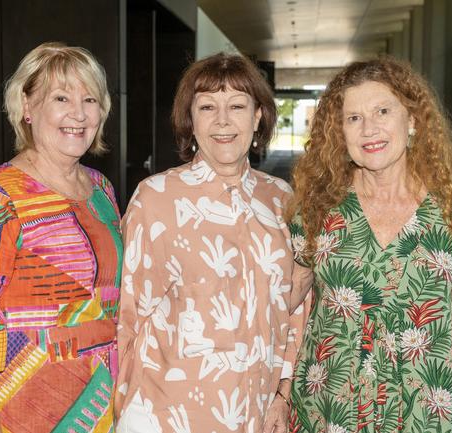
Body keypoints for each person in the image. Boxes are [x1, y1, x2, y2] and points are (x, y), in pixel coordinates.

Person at [0, 42, 122, 433]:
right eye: (61, 98)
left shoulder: (101, 190)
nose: (78, 114)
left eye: (90, 99)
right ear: (27, 108)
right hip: (24, 412)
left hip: (104, 407)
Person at [286, 57, 452, 433]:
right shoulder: (317, 209)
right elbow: (288, 299)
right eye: (353, 118)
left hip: (422, 409)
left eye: (382, 110)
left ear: (411, 119)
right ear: (339, 132)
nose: (369, 129)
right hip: (329, 407)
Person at [115, 52, 310, 433]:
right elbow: (129, 315)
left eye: (237, 106)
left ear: (257, 117)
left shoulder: (281, 199)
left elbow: (296, 310)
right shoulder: (155, 198)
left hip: (255, 411)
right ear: (191, 120)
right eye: (207, 107)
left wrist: (282, 396)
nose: (223, 121)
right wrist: (123, 405)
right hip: (166, 412)